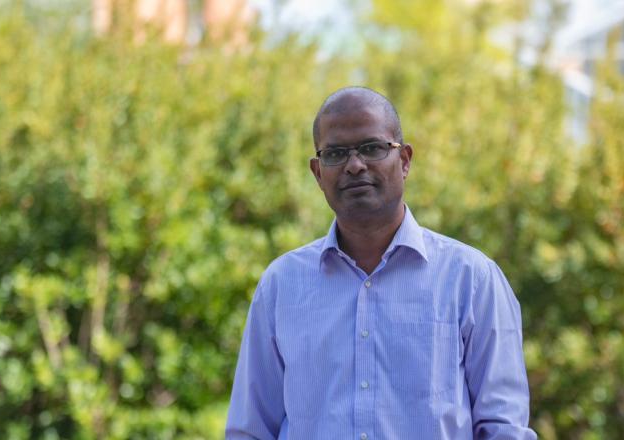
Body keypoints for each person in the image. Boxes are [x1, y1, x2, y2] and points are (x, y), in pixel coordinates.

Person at [225, 87, 537, 439]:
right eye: (336, 153)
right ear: (317, 173)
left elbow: (503, 429)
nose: (355, 165)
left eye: (372, 148)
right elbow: (250, 430)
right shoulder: (282, 286)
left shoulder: (471, 280)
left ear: (404, 160)